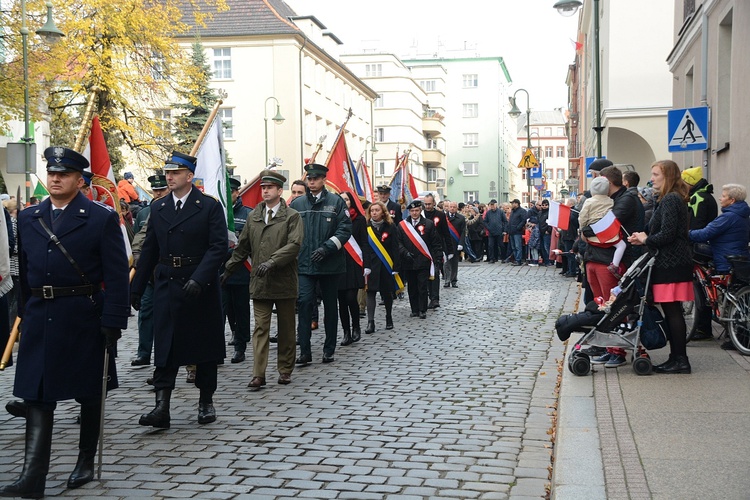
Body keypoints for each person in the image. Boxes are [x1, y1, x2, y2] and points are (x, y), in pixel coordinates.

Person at [0, 147, 129, 498]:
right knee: (36, 394)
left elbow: (117, 276)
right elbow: (25, 271)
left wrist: (113, 319)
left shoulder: (99, 218)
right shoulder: (29, 218)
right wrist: (24, 312)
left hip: (83, 313)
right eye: (51, 173)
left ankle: (85, 459)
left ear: (78, 179)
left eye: (64, 174)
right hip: (41, 313)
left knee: (89, 391)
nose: (55, 179)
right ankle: (32, 477)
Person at [130, 151, 227, 428]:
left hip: (200, 285)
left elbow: (218, 247)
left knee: (204, 346)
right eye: (167, 173)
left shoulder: (208, 207)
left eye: (175, 173)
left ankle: (206, 401)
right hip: (168, 283)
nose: (169, 177)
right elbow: (149, 250)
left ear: (189, 176)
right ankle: (162, 407)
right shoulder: (159, 209)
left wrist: (200, 278)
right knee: (165, 346)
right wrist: (136, 288)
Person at [222, 170, 303, 389]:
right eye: (263, 188)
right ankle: (259, 374)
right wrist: (228, 270)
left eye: (269, 188)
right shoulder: (254, 215)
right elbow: (242, 247)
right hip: (260, 281)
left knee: (286, 328)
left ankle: (285, 369)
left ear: (279, 190)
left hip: (284, 280)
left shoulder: (292, 216)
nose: (265, 191)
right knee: (260, 328)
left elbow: (294, 246)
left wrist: (273, 261)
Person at [628, 160, 694, 374]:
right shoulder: (668, 199)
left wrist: (647, 239)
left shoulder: (672, 199)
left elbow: (667, 234)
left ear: (668, 176)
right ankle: (676, 358)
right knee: (671, 311)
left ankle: (680, 360)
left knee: (673, 311)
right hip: (670, 262)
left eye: (656, 174)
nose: (652, 178)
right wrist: (644, 238)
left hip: (671, 263)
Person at [290, 163, 352, 365]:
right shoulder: (297, 204)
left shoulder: (336, 202)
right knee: (305, 303)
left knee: (330, 308)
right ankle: (305, 351)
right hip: (305, 264)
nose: (312, 182)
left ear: (323, 180)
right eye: (309, 178)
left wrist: (327, 248)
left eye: (316, 179)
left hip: (330, 264)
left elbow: (345, 229)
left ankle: (329, 349)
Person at [689, 184, 750, 348]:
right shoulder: (743, 215)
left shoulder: (728, 217)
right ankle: (735, 336)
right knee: (734, 295)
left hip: (724, 260)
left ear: (732, 200)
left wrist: (684, 233)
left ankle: (721, 333)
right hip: (739, 258)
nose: (720, 198)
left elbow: (705, 233)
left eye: (723, 196)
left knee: (727, 297)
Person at [130, 173, 169, 367]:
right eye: (156, 190)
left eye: (162, 189)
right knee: (145, 312)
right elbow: (139, 235)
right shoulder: (145, 213)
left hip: (168, 270)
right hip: (148, 271)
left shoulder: (172, 208)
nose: (159, 193)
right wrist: (137, 254)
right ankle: (143, 352)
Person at [681, 166, 719, 341]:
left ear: (690, 182)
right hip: (706, 246)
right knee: (705, 287)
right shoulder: (707, 195)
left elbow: (696, 224)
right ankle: (705, 326)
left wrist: (687, 240)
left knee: (700, 289)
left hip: (697, 249)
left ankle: (703, 328)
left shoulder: (697, 197)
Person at [397, 199, 442, 319]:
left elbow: (435, 242)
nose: (414, 213)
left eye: (416, 210)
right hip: (408, 261)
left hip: (423, 260)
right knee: (412, 287)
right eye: (412, 211)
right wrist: (404, 252)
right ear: (409, 212)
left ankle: (423, 309)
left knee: (422, 286)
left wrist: (437, 258)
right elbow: (398, 242)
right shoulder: (402, 226)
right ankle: (414, 309)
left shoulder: (428, 224)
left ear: (420, 210)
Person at [223, 177, 252, 363]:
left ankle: (240, 346)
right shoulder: (218, 212)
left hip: (241, 270)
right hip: (220, 270)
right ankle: (220, 346)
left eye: (231, 192)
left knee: (241, 310)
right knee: (224, 310)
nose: (229, 195)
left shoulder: (248, 214)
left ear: (237, 193)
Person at [579, 176, 628, 281]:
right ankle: (615, 265)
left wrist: (582, 228)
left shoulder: (588, 201)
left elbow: (583, 216)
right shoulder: (611, 200)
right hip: (608, 232)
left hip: (592, 232)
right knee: (621, 245)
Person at [363, 201, 400, 332]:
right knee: (370, 292)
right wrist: (365, 266)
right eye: (372, 210)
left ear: (383, 212)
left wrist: (396, 266)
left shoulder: (390, 226)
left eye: (377, 210)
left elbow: (395, 247)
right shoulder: (366, 227)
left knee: (387, 292)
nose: (374, 213)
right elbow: (365, 248)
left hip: (386, 264)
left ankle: (389, 317)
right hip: (372, 265)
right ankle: (370, 322)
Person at [337, 191, 366, 342]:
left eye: (347, 200)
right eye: (341, 200)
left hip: (354, 264)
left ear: (351, 202)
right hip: (338, 265)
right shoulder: (334, 220)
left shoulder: (359, 220)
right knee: (341, 300)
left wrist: (366, 264)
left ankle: (356, 327)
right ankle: (346, 332)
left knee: (350, 298)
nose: (344, 202)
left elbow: (364, 243)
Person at [423, 194, 450, 309]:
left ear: (434, 203)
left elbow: (446, 233)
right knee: (425, 275)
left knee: (435, 274)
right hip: (423, 248)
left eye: (429, 204)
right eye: (426, 204)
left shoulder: (440, 215)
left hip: (436, 248)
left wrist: (449, 250)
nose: (427, 206)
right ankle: (428, 296)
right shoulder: (420, 215)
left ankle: (435, 299)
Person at [443, 201, 466, 287]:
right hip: (446, 243)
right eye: (451, 207)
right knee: (446, 262)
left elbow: (463, 232)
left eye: (454, 207)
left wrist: (461, 243)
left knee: (454, 263)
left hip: (456, 243)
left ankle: (454, 280)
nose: (452, 208)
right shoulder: (443, 218)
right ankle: (447, 280)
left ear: (457, 208)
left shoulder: (461, 218)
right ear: (448, 208)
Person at [483, 199, 506, 264]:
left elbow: (505, 221)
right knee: (490, 245)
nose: (492, 206)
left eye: (493, 204)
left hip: (499, 231)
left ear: (496, 205)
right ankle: (492, 258)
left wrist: (503, 229)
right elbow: (485, 221)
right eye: (491, 205)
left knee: (501, 245)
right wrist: (488, 227)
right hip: (491, 232)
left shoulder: (500, 212)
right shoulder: (488, 213)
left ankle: (503, 258)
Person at [506, 199, 527, 265]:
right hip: (511, 231)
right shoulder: (513, 211)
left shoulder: (522, 211)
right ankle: (516, 259)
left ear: (517, 204)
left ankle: (518, 260)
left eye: (513, 203)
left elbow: (523, 220)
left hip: (517, 232)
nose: (512, 205)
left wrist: (518, 227)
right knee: (513, 247)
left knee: (518, 246)